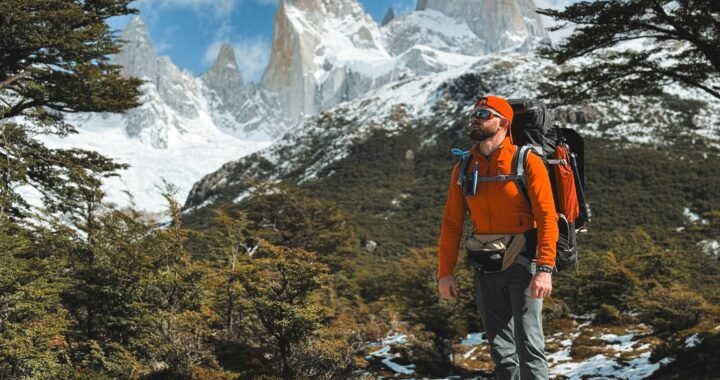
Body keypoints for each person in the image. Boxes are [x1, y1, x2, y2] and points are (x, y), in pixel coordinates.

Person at [437, 95, 558, 380]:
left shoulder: (526, 161)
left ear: (503, 122)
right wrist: (445, 273)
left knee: (530, 347)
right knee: (502, 353)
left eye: (484, 115)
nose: (475, 120)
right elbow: (451, 224)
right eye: (474, 115)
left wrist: (544, 269)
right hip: (485, 266)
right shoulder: (464, 168)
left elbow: (546, 218)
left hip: (524, 265)